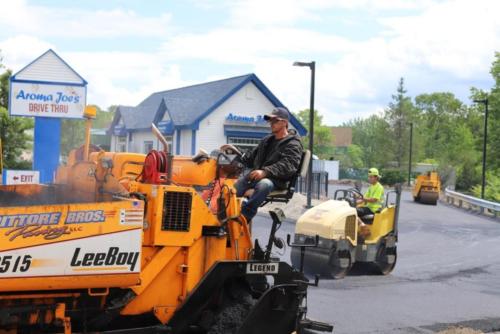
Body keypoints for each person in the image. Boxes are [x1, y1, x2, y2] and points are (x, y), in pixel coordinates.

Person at [235, 107, 303, 222]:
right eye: (270, 120)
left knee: (264, 184)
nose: (271, 123)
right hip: (256, 177)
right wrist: (236, 153)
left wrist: (265, 172)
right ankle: (224, 217)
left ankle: (244, 216)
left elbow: (289, 165)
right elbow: (251, 158)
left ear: (285, 123)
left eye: (275, 120)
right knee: (230, 189)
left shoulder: (293, 144)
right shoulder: (266, 140)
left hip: (276, 180)